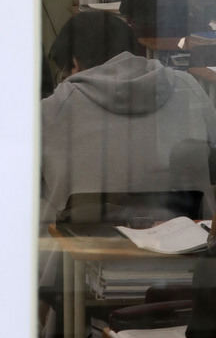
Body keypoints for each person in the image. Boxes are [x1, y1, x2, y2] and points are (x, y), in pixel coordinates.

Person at [42, 11, 216, 222]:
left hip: (83, 241)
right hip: (189, 239)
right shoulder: (188, 88)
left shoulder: (51, 112)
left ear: (74, 64)